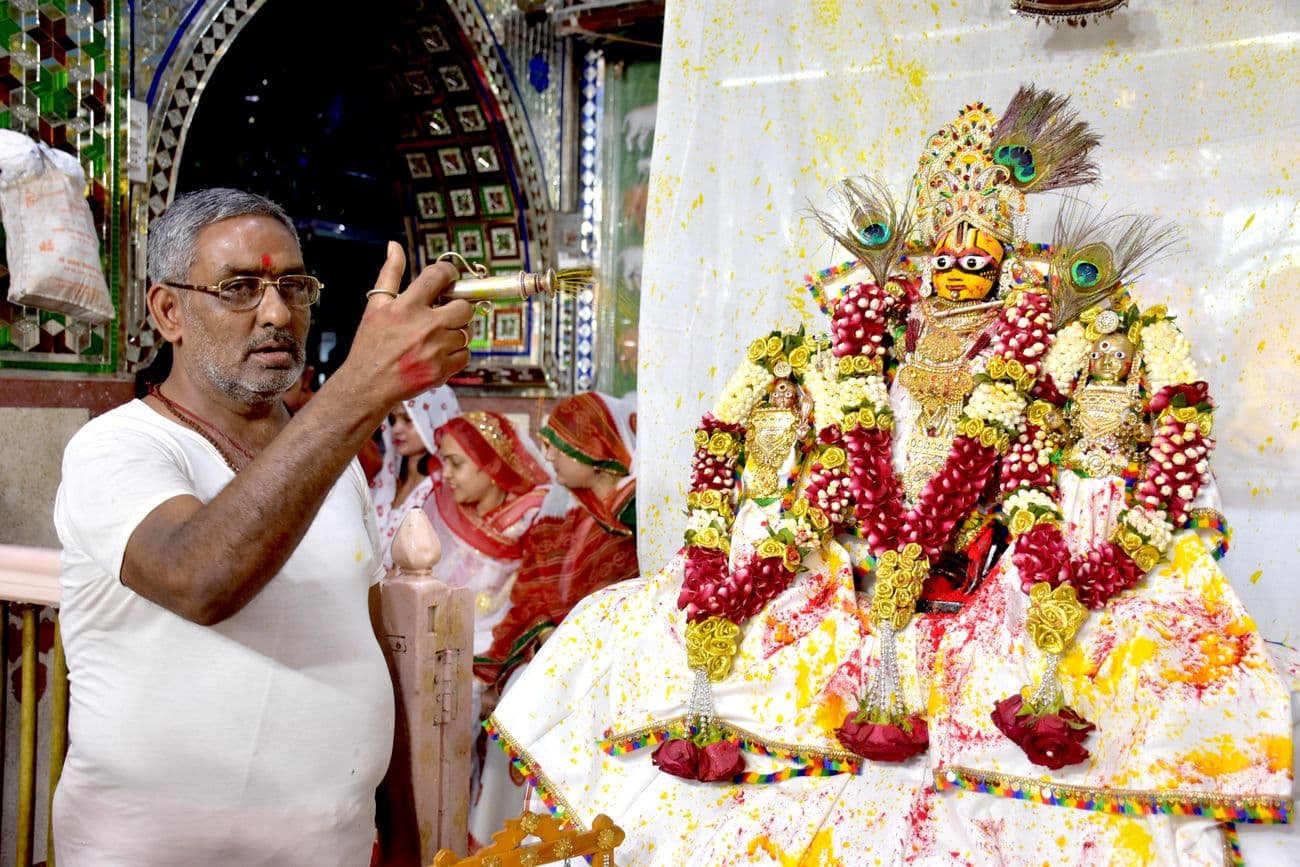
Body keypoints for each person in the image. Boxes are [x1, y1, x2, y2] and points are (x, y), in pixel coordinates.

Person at [486, 90, 1293, 864]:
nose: (964, 259)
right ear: (931, 245)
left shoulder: (1041, 337)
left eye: (984, 248)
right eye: (951, 242)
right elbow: (830, 450)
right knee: (613, 630)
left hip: (991, 564)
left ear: (1005, 256)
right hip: (859, 556)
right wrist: (817, 515)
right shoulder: (872, 332)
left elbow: (1036, 461)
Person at [51, 187, 475, 866]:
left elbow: (367, 647)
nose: (277, 313)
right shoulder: (119, 448)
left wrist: (404, 834)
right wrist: (360, 389)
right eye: (240, 287)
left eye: (293, 286)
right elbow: (202, 580)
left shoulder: (336, 467)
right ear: (169, 311)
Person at [369, 386, 460, 567]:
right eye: (393, 420)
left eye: (408, 420)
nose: (396, 429)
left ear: (436, 421)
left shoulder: (443, 488)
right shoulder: (385, 482)